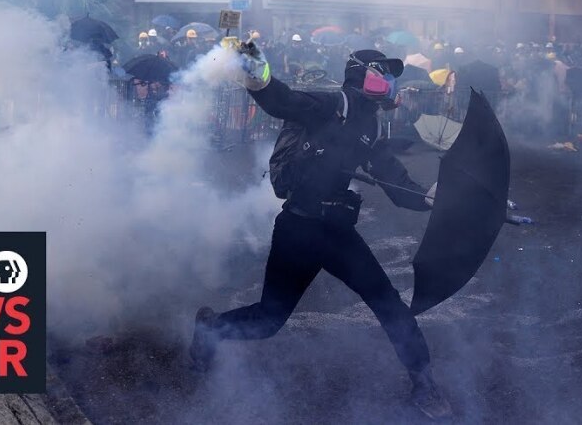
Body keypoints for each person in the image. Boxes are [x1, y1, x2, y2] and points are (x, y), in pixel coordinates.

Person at [190, 44, 452, 420]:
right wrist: (259, 76)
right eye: (384, 71)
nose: (391, 81)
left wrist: (428, 197)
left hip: (338, 233)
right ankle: (211, 328)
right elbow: (285, 102)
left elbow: (394, 181)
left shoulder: (372, 124)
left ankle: (424, 382)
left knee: (388, 304)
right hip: (298, 229)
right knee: (268, 320)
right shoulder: (333, 105)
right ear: (363, 73)